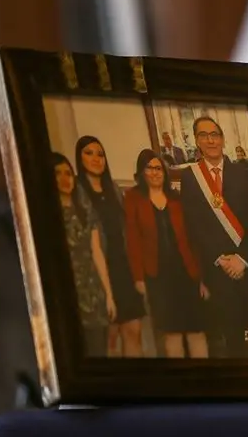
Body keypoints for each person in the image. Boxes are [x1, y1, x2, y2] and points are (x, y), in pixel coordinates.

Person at [178, 116, 248, 357]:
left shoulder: (242, 174)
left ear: (222, 139)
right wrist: (220, 260)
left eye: (215, 134)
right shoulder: (191, 179)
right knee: (233, 342)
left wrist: (242, 260)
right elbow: (194, 227)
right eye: (203, 135)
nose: (210, 140)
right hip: (218, 272)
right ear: (197, 142)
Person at [124, 149, 210, 358]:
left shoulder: (176, 199)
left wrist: (202, 278)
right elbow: (132, 240)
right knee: (172, 335)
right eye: (149, 168)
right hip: (158, 277)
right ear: (141, 172)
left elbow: (192, 240)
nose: (155, 173)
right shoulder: (133, 198)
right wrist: (138, 278)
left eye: (158, 168)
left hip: (186, 273)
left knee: (196, 331)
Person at [74, 136, 147, 357]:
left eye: (100, 153)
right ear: (79, 158)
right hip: (98, 271)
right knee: (110, 335)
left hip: (123, 265)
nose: (96, 158)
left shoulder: (113, 188)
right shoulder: (77, 190)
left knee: (133, 330)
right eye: (89, 153)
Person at [52, 152, 115, 357]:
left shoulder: (84, 209)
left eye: (68, 174)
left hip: (93, 291)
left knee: (99, 351)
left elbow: (97, 251)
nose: (64, 179)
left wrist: (108, 294)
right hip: (67, 293)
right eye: (58, 174)